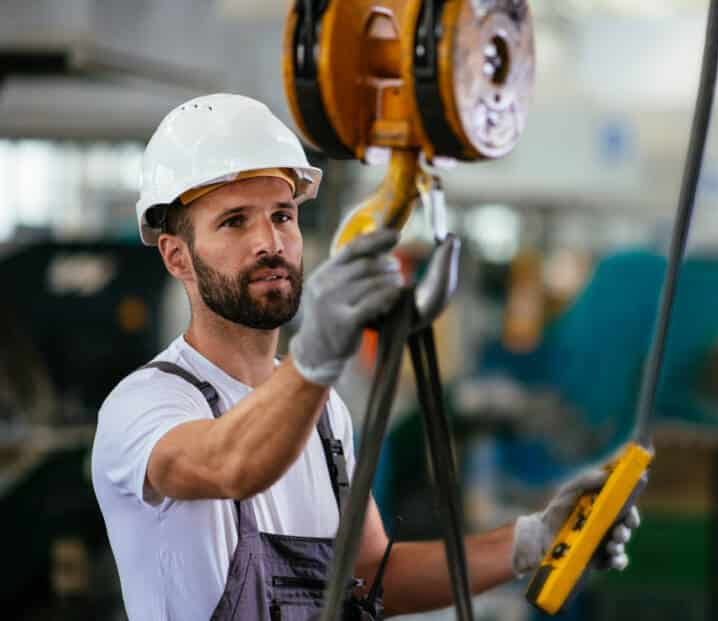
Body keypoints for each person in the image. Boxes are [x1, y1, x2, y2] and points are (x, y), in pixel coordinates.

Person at [91, 93, 640, 620]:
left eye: (282, 216)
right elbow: (230, 465)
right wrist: (316, 355)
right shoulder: (145, 404)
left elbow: (375, 576)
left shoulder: (323, 411)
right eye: (234, 221)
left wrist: (532, 540)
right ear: (177, 257)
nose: (270, 242)